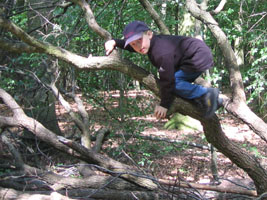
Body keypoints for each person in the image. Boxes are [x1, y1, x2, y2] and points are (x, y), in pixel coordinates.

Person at [105, 20, 220, 119]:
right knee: (175, 84)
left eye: (139, 40)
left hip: (198, 56)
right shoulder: (150, 44)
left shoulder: (160, 52)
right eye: (134, 44)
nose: (138, 47)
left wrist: (164, 105)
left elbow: (167, 81)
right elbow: (133, 46)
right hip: (191, 55)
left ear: (149, 34)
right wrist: (115, 42)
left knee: (175, 84)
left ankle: (209, 95)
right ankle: (200, 100)